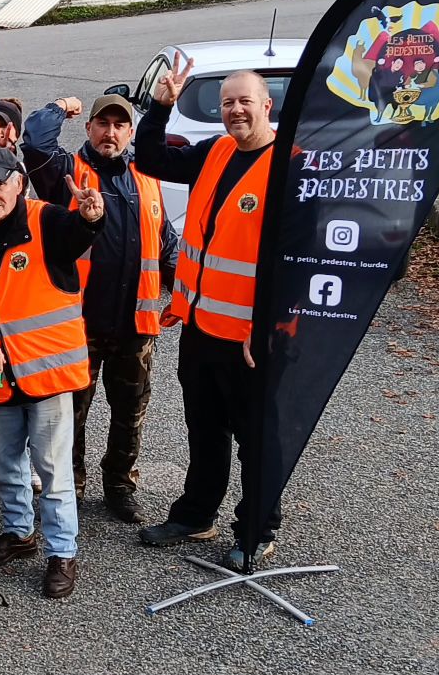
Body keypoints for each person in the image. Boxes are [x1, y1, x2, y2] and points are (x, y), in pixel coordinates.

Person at [131, 57, 283, 570]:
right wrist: (160, 107)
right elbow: (150, 159)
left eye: (244, 101)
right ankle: (196, 514)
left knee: (255, 439)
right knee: (204, 429)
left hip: (249, 338)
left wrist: (269, 329)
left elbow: (300, 264)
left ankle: (257, 528)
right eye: (227, 103)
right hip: (199, 327)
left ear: (267, 105)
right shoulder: (216, 151)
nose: (235, 111)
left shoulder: (290, 166)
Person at [0, 146, 105, 599]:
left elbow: (77, 236)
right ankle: (19, 532)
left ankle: (62, 552)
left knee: (51, 469)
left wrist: (89, 218)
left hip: (47, 375)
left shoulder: (46, 221)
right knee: (5, 462)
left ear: (19, 183)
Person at [22, 93, 179, 524]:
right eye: (102, 123)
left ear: (130, 133)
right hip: (79, 324)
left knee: (131, 411)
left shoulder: (146, 177)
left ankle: (119, 486)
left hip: (136, 323)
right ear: (89, 128)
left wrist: (184, 290)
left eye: (119, 125)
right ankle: (68, 485)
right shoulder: (67, 173)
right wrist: (61, 106)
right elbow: (34, 140)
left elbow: (165, 243)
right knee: (71, 412)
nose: (110, 132)